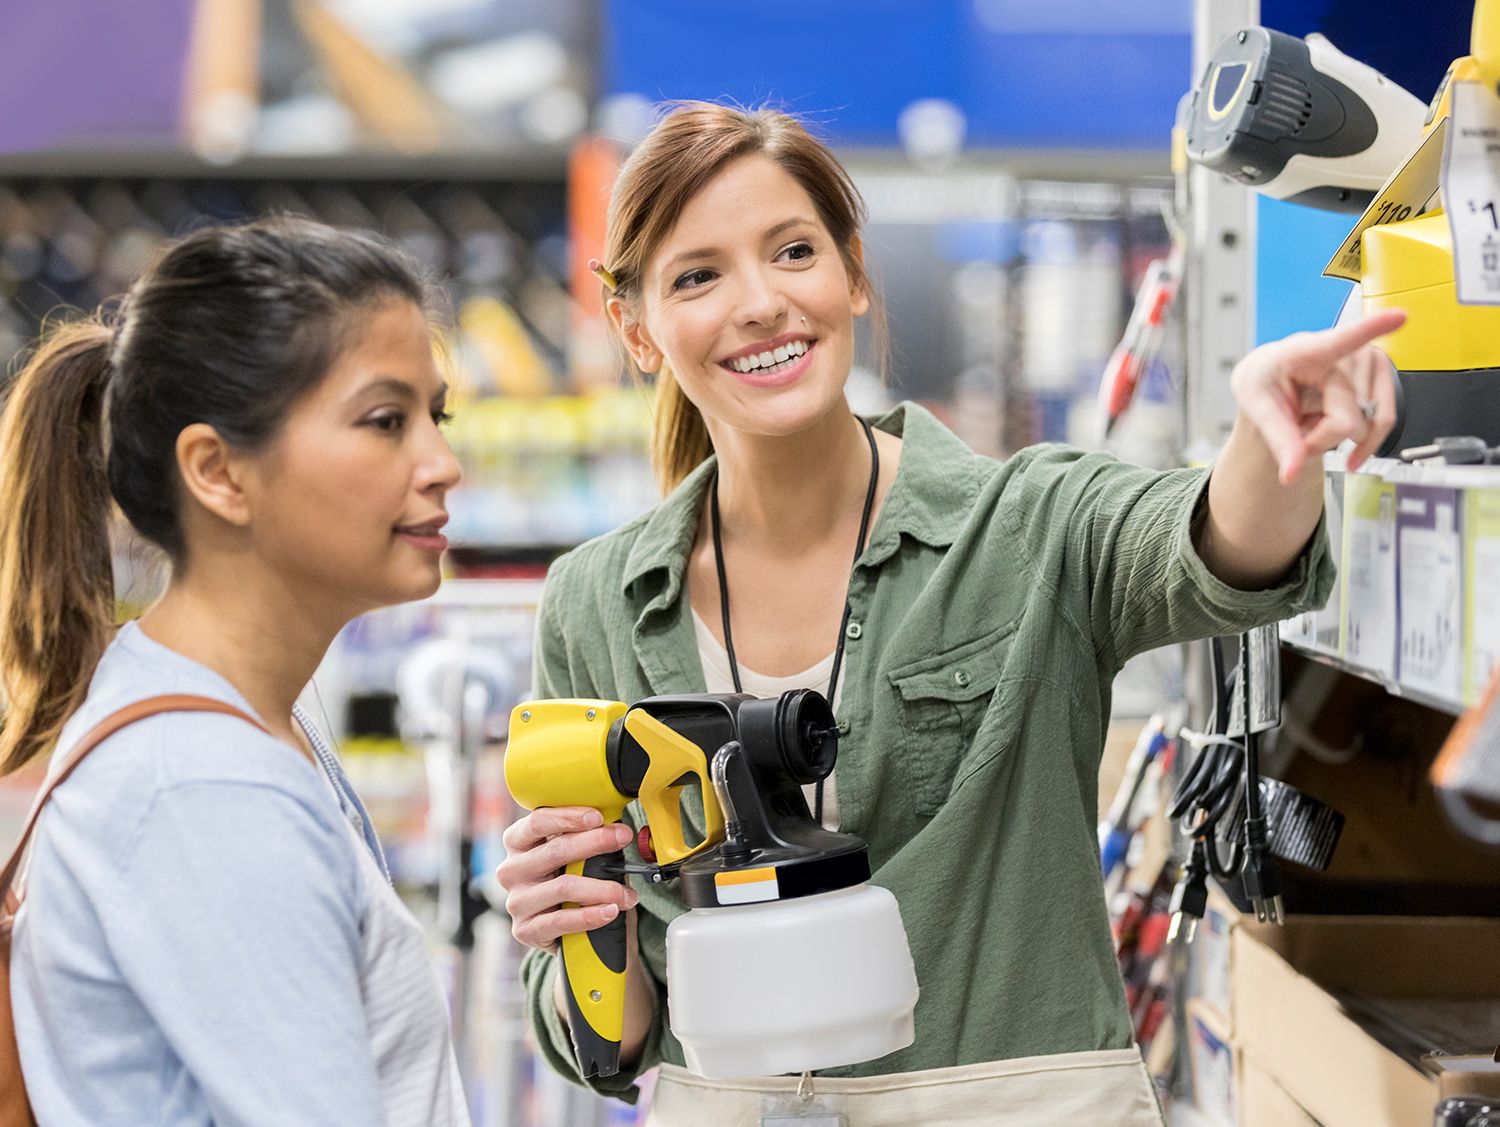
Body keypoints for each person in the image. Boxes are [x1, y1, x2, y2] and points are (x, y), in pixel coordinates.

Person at [495, 103, 1403, 1126]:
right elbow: (610, 1041)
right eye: (697, 276)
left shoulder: (1025, 526)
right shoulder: (596, 602)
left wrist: (1270, 440)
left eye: (792, 251)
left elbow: (1210, 546)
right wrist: (580, 921)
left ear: (852, 272)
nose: (758, 303)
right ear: (635, 325)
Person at [1, 217, 471, 1125]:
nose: (441, 464)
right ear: (218, 471)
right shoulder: (204, 784)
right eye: (386, 421)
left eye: (434, 416)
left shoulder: (246, 725)